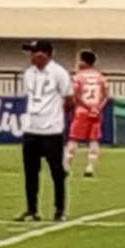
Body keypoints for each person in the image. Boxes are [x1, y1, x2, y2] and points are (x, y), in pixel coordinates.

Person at [15, 40, 73, 222]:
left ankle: (60, 210)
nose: (32, 56)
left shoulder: (59, 73)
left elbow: (69, 98)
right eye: (31, 53)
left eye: (35, 53)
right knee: (31, 172)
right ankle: (32, 209)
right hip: (31, 129)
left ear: (46, 54)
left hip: (52, 131)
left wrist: (55, 115)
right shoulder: (28, 74)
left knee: (57, 172)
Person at [63, 50, 109, 178]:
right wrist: (98, 108)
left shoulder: (78, 77)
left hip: (82, 112)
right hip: (96, 112)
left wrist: (85, 106)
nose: (78, 63)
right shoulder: (101, 77)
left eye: (80, 60)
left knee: (73, 139)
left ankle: (66, 167)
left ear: (84, 62)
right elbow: (106, 96)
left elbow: (74, 95)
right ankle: (90, 167)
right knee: (94, 140)